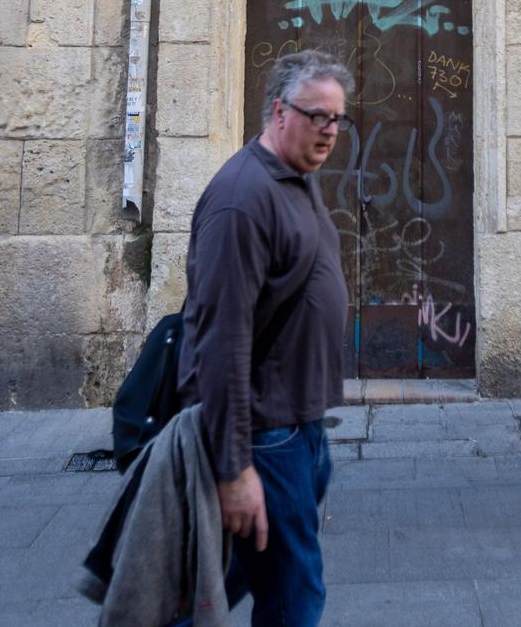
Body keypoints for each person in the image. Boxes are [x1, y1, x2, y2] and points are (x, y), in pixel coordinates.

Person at [176, 49, 354, 626]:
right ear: (279, 111)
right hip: (264, 435)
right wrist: (234, 470)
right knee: (293, 594)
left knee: (231, 574)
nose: (329, 131)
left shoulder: (294, 177)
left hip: (297, 426)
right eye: (317, 116)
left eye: (338, 119)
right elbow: (220, 343)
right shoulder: (241, 200)